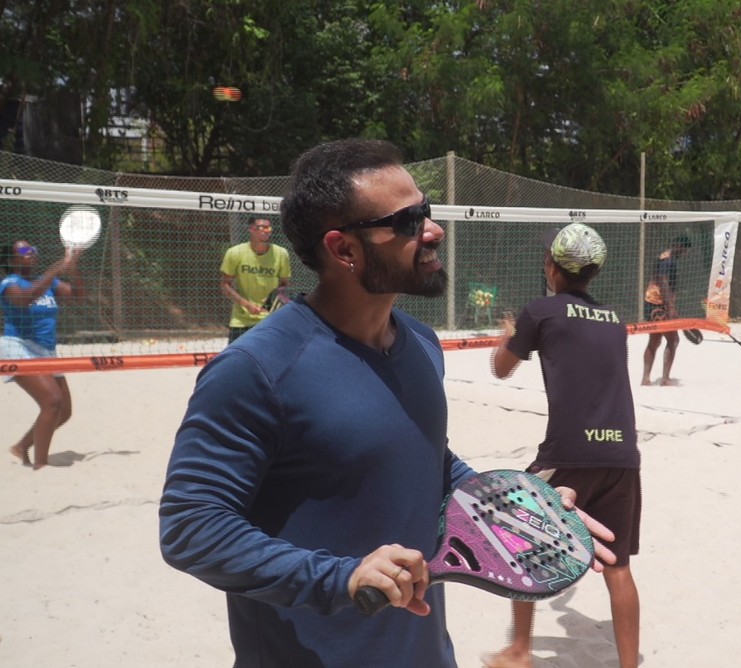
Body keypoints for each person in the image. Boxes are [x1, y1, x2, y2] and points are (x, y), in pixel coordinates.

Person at [159, 139, 614, 668]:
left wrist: (514, 506)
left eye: (426, 210)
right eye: (406, 221)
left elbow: (425, 461)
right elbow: (191, 525)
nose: (432, 229)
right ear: (344, 249)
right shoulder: (256, 369)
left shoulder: (421, 344)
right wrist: (341, 577)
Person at [485, 224, 641, 668]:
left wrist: (508, 334)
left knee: (523, 545)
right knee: (619, 567)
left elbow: (501, 369)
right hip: (622, 456)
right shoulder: (615, 320)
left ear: (551, 266)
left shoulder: (540, 312)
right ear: (594, 272)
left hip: (566, 454)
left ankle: (518, 650)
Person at [2, 240, 86, 469]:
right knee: (52, 401)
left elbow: (78, 296)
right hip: (18, 346)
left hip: (45, 350)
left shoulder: (49, 283)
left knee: (64, 411)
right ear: (11, 259)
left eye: (33, 249)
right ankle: (41, 465)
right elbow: (25, 299)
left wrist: (72, 267)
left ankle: (21, 447)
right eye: (23, 250)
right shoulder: (9, 284)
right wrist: (56, 269)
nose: (30, 252)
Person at [219, 215, 292, 343]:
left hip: (271, 320)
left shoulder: (281, 254)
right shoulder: (235, 253)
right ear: (251, 229)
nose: (266, 230)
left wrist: (271, 304)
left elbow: (284, 285)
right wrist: (246, 304)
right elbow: (225, 285)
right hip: (241, 321)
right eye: (261, 227)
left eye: (268, 227)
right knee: (236, 360)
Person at [641, 235, 692, 386]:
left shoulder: (666, 258)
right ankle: (665, 378)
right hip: (657, 305)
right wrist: (670, 307)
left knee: (655, 340)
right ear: (678, 246)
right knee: (673, 340)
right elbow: (663, 282)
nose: (685, 253)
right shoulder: (667, 260)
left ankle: (646, 378)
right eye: (684, 249)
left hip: (652, 303)